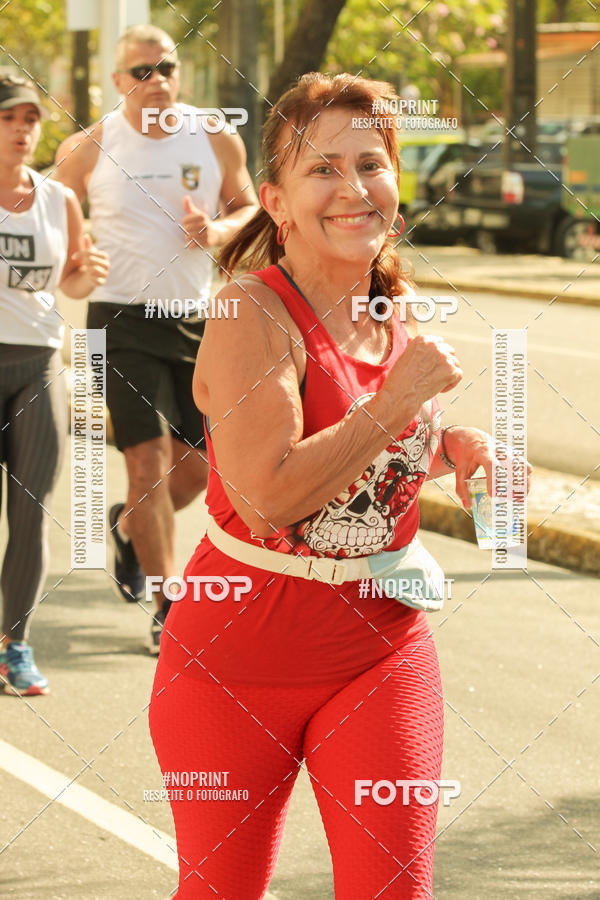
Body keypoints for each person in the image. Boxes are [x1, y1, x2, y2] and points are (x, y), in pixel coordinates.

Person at [149, 73, 532, 897]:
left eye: (371, 163)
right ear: (276, 200)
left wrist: (456, 445)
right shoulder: (248, 313)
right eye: (323, 169)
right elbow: (271, 496)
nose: (354, 188)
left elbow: (364, 466)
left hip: (379, 648)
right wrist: (399, 402)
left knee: (394, 888)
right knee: (222, 890)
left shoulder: (394, 306)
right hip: (232, 664)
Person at [55, 25, 258, 653]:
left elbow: (251, 206)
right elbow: (44, 217)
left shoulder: (214, 134)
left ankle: (127, 525)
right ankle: (171, 608)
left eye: (165, 67)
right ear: (118, 83)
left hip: (198, 319)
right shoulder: (89, 147)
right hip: (120, 319)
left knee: (198, 468)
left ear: (180, 74)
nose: (155, 81)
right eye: (140, 71)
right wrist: (73, 266)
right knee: (147, 461)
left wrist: (221, 232)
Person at [0, 75, 109, 695]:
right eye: (10, 118)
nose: (23, 129)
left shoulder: (57, 198)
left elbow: (69, 283)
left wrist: (85, 276)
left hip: (39, 362)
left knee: (31, 512)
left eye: (31, 119)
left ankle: (16, 644)